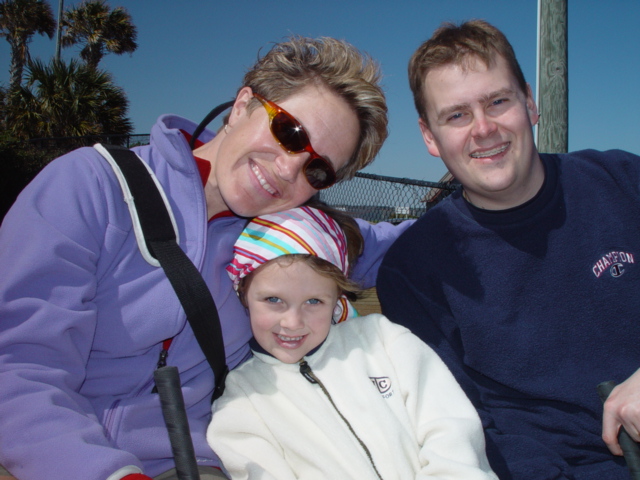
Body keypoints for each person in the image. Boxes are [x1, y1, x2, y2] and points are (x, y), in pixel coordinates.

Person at [0, 36, 411, 480]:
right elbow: (19, 368)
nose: (288, 169)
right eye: (289, 132)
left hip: (207, 463)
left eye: (317, 169)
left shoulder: (295, 239)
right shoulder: (91, 186)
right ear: (243, 105)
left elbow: (410, 245)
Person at [377, 19, 640, 480]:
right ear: (429, 136)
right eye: (456, 115)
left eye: (498, 102)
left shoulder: (622, 182)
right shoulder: (414, 270)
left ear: (530, 103)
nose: (483, 129)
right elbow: (456, 423)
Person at [207, 205, 497, 480]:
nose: (292, 322)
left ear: (337, 299)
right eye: (273, 300)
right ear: (243, 293)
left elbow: (450, 428)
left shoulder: (383, 341)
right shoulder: (242, 398)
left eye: (313, 301)